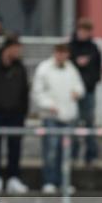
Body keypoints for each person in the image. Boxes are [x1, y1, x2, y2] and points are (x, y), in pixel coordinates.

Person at [0, 35, 30, 195]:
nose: (18, 52)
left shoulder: (20, 68)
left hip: (15, 115)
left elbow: (24, 91)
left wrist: (23, 112)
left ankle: (13, 178)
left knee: (15, 147)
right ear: (7, 48)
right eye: (16, 49)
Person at [32, 43, 85, 195]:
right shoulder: (44, 68)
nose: (62, 56)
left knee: (67, 152)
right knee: (51, 150)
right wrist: (49, 105)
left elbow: (79, 87)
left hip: (68, 116)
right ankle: (49, 181)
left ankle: (64, 181)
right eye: (59, 53)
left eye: (65, 53)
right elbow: (37, 92)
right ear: (55, 53)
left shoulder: (71, 68)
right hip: (51, 116)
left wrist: (77, 93)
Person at [68, 18, 102, 166]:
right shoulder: (70, 47)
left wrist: (90, 82)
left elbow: (97, 70)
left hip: (89, 91)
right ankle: (73, 155)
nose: (83, 33)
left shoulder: (94, 48)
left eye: (86, 31)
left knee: (89, 123)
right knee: (73, 124)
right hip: (72, 93)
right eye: (81, 30)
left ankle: (90, 156)